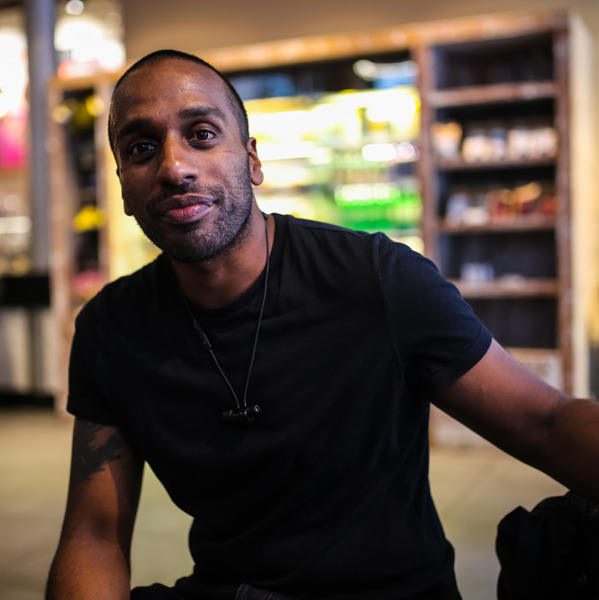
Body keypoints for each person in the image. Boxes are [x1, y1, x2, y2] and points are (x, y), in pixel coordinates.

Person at [45, 49, 599, 600]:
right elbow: (94, 534)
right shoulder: (109, 329)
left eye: (203, 134)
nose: (174, 167)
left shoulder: (379, 278)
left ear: (253, 160)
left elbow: (545, 421)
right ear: (123, 185)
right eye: (142, 148)